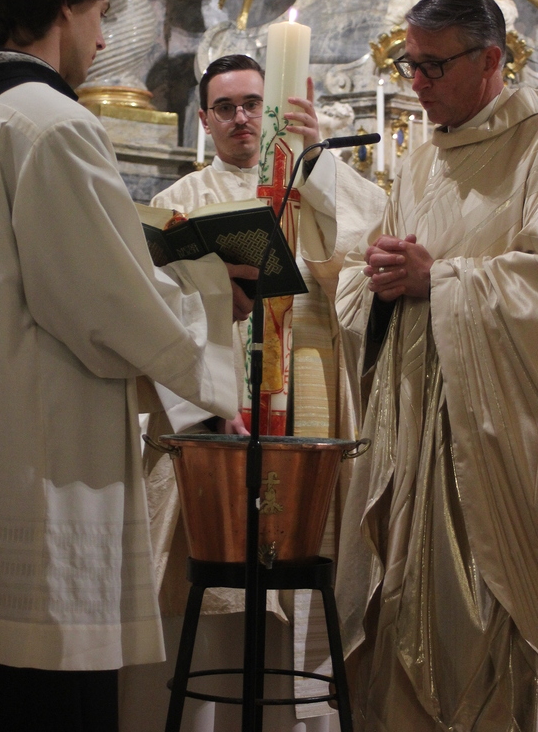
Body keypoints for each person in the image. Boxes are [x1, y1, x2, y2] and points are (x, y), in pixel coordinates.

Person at [0, 0, 256, 732]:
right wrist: (214, 297)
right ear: (66, 8)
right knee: (40, 696)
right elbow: (103, 303)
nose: (103, 40)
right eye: (101, 15)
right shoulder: (56, 125)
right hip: (35, 469)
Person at [335, 0, 538, 731]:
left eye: (433, 66)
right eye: (408, 65)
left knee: (481, 619)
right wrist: (377, 280)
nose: (417, 83)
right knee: (401, 607)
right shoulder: (417, 163)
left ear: (490, 61)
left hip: (496, 443)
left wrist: (436, 280)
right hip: (410, 430)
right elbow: (378, 279)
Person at [126, 54, 386, 731]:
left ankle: (299, 718)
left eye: (253, 104)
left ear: (273, 111)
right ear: (205, 119)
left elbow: (370, 246)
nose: (241, 118)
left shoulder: (313, 183)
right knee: (209, 583)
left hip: (308, 393)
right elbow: (153, 307)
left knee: (307, 566)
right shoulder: (182, 199)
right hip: (217, 408)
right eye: (226, 107)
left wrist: (316, 161)